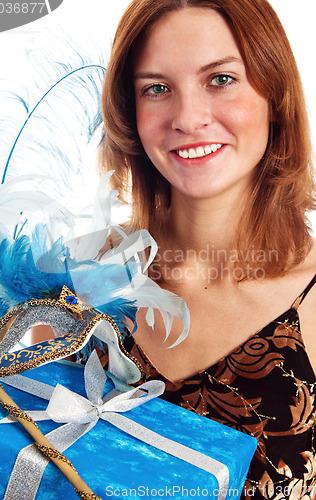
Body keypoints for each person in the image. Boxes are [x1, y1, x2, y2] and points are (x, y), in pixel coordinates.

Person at [97, 0, 316, 498]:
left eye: (220, 79)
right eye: (156, 88)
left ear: (274, 93)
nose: (188, 118)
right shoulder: (80, 275)